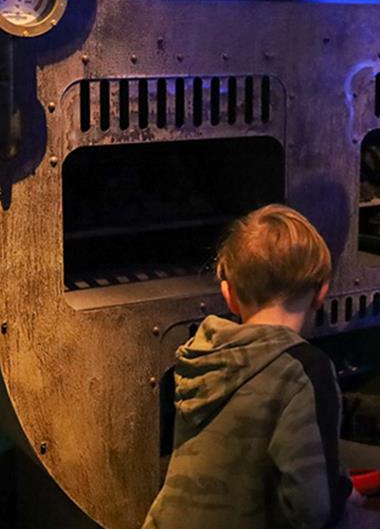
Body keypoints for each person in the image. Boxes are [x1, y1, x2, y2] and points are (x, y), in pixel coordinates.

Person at [142, 204, 350, 529]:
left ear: (228, 294)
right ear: (322, 291)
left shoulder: (201, 356)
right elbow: (312, 508)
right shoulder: (304, 370)